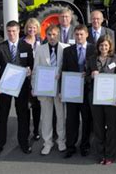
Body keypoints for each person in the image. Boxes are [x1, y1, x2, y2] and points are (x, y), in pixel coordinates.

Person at [0, 20, 34, 156]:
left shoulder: (26, 47)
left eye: (14, 31)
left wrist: (29, 70)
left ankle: (24, 143)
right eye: (9, 31)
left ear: (19, 31)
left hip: (22, 87)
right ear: (6, 32)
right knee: (3, 115)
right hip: (5, 87)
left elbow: (31, 65)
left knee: (23, 115)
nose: (11, 34)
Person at [87, 35, 116, 165]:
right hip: (95, 99)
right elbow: (85, 78)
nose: (103, 48)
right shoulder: (91, 59)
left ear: (110, 47)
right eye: (101, 45)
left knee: (111, 127)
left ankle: (110, 155)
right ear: (98, 46)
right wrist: (90, 76)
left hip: (111, 99)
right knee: (98, 127)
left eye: (106, 45)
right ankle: (100, 154)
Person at [32, 24, 67, 155]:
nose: (52, 37)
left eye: (54, 34)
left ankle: (61, 141)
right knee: (46, 116)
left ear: (58, 34)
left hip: (59, 89)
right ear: (45, 35)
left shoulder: (65, 48)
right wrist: (34, 87)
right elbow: (35, 70)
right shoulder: (40, 50)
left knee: (61, 115)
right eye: (49, 35)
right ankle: (47, 142)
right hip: (44, 88)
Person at [63, 24, 95, 158]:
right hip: (72, 90)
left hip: (87, 89)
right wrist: (62, 90)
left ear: (87, 35)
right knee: (71, 119)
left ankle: (85, 145)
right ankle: (70, 146)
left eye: (82, 34)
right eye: (77, 34)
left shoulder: (93, 49)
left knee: (87, 119)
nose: (79, 37)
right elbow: (64, 70)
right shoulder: (67, 51)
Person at [23, 18, 42, 142]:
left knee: (36, 106)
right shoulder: (21, 42)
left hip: (39, 78)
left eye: (34, 27)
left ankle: (36, 130)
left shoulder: (41, 41)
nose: (32, 30)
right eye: (30, 27)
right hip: (25, 78)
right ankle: (25, 131)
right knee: (25, 106)